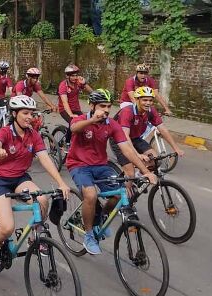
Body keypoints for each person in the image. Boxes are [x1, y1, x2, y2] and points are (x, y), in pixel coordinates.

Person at [0, 95, 71, 273]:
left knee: (43, 200)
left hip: (19, 178)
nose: (29, 117)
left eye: (32, 113)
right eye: (25, 113)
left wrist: (61, 182)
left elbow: (45, 159)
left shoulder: (34, 135)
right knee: (7, 227)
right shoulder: (6, 132)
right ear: (14, 114)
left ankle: (35, 236)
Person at [66, 89, 157, 255]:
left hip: (101, 165)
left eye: (109, 106)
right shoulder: (82, 119)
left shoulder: (111, 124)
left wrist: (145, 172)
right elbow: (74, 128)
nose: (106, 110)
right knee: (91, 196)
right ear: (92, 105)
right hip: (79, 165)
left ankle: (100, 219)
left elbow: (127, 150)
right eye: (102, 106)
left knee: (121, 193)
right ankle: (89, 235)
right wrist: (92, 120)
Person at [112, 86, 184, 178]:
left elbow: (162, 129)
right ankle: (128, 187)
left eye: (150, 100)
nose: (148, 103)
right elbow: (125, 136)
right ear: (137, 99)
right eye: (145, 100)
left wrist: (176, 148)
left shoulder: (151, 111)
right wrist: (137, 155)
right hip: (120, 140)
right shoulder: (127, 112)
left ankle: (140, 177)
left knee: (156, 160)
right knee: (130, 174)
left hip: (136, 138)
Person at [58, 64, 93, 144]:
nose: (75, 77)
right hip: (64, 110)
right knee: (73, 123)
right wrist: (70, 114)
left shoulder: (77, 82)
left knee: (85, 123)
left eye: (76, 75)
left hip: (76, 109)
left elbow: (91, 91)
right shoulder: (63, 86)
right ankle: (67, 143)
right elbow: (64, 102)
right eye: (73, 76)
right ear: (67, 76)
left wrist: (84, 83)